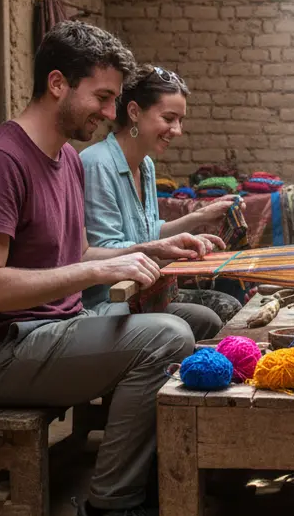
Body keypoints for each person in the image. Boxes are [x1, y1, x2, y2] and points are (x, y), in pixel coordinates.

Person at [0, 20, 220, 516]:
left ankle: (148, 479)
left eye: (115, 99)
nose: (110, 112)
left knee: (193, 327)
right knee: (164, 337)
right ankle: (107, 512)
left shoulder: (65, 159)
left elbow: (70, 257)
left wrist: (147, 251)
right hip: (1, 350)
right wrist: (95, 274)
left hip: (52, 329)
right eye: (102, 97)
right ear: (56, 84)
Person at [81, 64, 242, 334]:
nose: (177, 130)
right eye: (169, 118)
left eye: (180, 120)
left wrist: (201, 217)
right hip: (110, 303)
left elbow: (147, 233)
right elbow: (106, 251)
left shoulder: (145, 166)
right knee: (209, 319)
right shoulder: (97, 164)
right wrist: (167, 250)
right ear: (134, 112)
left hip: (144, 295)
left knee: (221, 313)